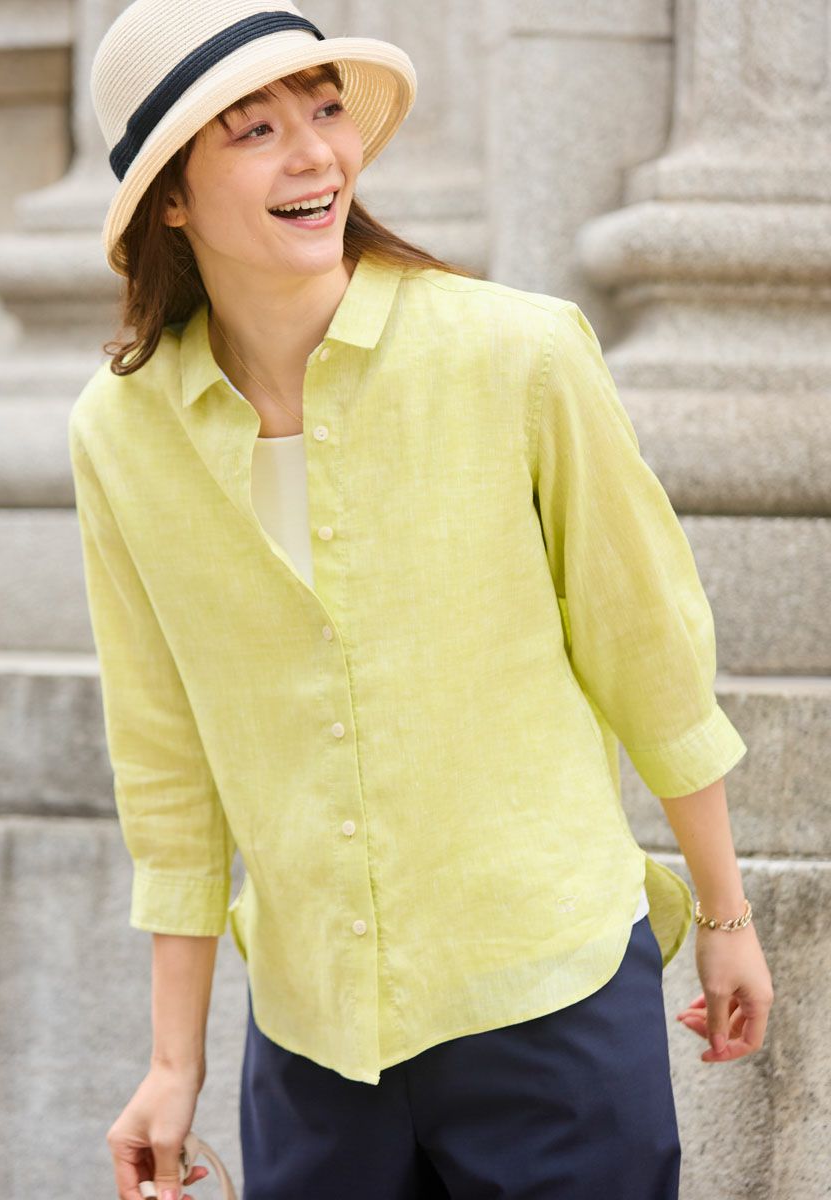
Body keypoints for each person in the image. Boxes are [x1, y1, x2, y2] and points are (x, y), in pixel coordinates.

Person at [71, 2, 775, 1197]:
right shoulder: (121, 434)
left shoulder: (517, 353)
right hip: (313, 1041)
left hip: (547, 999)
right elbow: (165, 760)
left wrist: (725, 914)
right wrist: (173, 1062)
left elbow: (647, 646)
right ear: (170, 199)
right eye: (254, 131)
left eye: (325, 111)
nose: (316, 156)